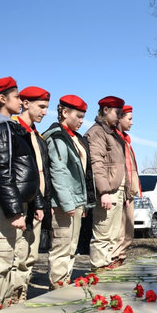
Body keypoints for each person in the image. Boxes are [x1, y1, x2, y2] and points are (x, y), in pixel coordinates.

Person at [0, 76, 40, 313]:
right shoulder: (0, 129)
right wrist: (13, 210)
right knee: (1, 257)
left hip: (17, 202)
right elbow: (2, 173)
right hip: (5, 206)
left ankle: (8, 305)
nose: (20, 101)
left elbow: (28, 169)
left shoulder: (9, 127)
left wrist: (37, 202)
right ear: (2, 99)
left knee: (15, 256)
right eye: (15, 97)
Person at [43, 95, 96, 288]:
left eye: (83, 117)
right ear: (64, 113)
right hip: (63, 204)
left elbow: (83, 173)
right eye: (79, 116)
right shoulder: (57, 137)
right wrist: (67, 203)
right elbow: (59, 171)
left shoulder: (75, 138)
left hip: (76, 202)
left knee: (72, 246)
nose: (82, 121)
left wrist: (83, 202)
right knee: (61, 246)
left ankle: (64, 282)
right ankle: (57, 286)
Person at [12, 86, 52, 302]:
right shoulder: (15, 130)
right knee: (17, 254)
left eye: (46, 107)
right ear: (25, 104)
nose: (45, 112)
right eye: (41, 106)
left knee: (30, 255)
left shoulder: (37, 135)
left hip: (37, 203)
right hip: (20, 203)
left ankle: (22, 294)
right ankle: (12, 297)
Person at [83, 96, 127, 271]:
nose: (119, 116)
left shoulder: (113, 133)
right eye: (117, 112)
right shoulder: (97, 133)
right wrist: (104, 191)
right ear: (106, 110)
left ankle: (106, 266)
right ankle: (99, 269)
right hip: (107, 191)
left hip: (116, 190)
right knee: (102, 234)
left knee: (112, 234)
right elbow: (96, 163)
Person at [112, 104, 141, 266]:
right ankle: (114, 263)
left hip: (129, 193)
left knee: (128, 233)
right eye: (129, 119)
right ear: (119, 119)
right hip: (121, 192)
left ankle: (120, 260)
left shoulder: (125, 140)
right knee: (119, 233)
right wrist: (126, 192)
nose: (132, 123)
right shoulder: (116, 140)